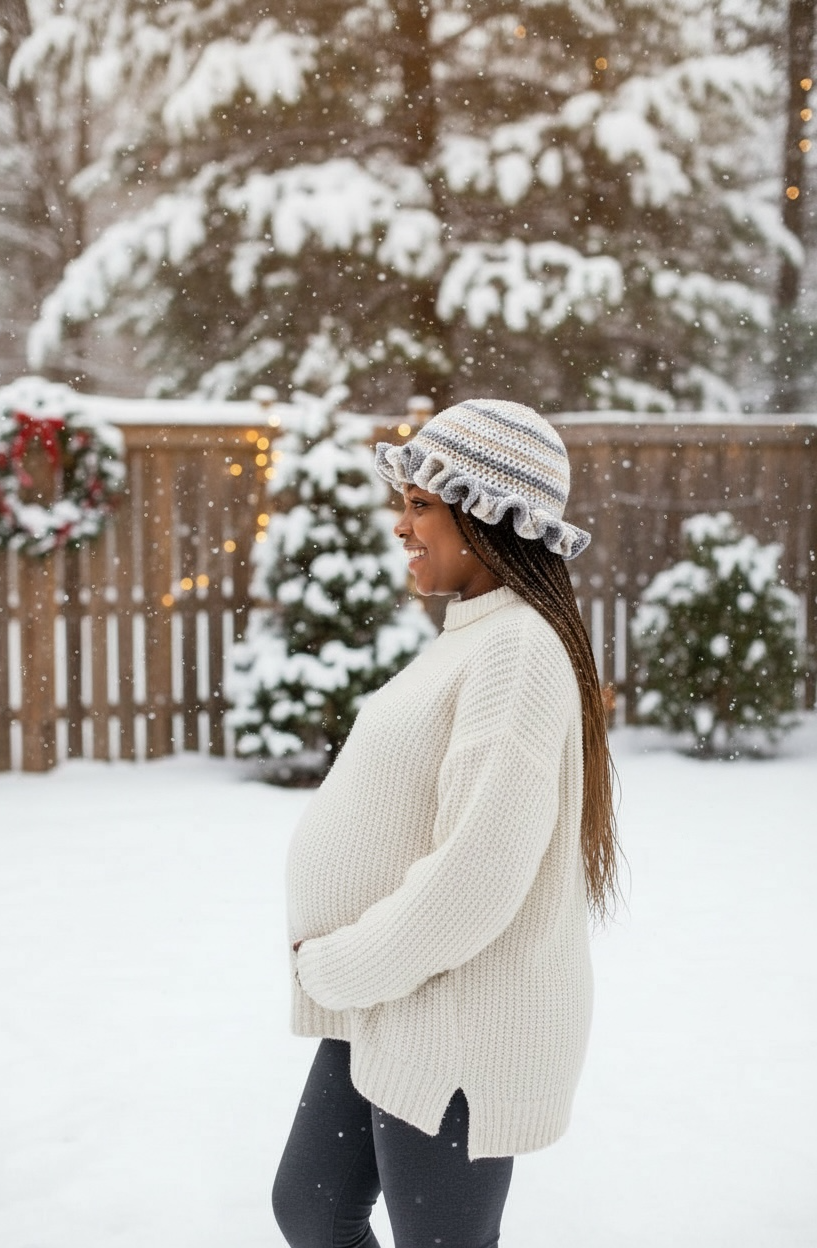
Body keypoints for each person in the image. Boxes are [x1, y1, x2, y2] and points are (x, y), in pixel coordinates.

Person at [272, 398, 620, 1248]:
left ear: (488, 516)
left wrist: (346, 967)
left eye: (421, 506)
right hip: (396, 1002)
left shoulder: (518, 652)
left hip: (457, 1019)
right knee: (312, 1211)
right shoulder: (474, 634)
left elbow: (478, 874)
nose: (400, 526)